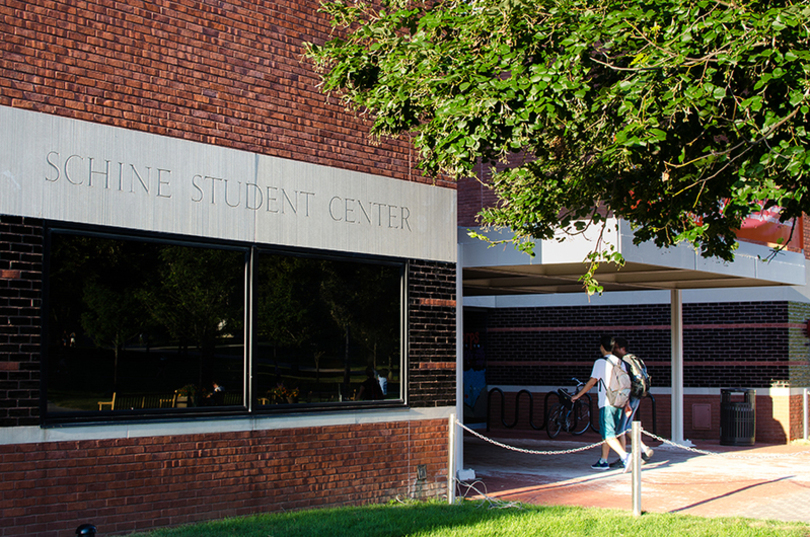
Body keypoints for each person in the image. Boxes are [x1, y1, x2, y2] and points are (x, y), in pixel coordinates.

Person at [571, 335, 632, 472]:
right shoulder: (620, 362)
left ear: (602, 347)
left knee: (608, 435)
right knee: (613, 433)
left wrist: (578, 395)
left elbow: (593, 381)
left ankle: (625, 457)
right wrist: (626, 402)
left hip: (607, 402)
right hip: (619, 401)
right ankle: (603, 461)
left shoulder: (601, 362)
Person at [610, 337, 654, 467]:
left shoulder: (624, 362)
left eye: (616, 348)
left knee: (621, 429)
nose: (614, 350)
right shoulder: (635, 359)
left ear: (622, 348)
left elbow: (625, 382)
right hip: (638, 395)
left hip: (629, 396)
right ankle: (644, 449)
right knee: (628, 427)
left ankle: (623, 458)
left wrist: (625, 401)